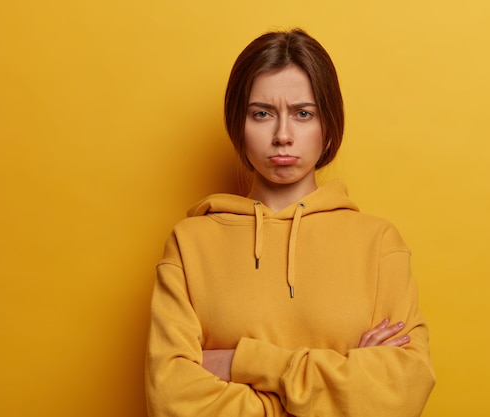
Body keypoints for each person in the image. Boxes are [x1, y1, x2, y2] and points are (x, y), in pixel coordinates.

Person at [145, 28, 435, 417]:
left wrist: (238, 362)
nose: (283, 135)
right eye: (262, 113)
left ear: (328, 125)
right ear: (238, 125)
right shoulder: (190, 243)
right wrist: (341, 389)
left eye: (303, 113)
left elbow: (400, 395)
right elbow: (171, 401)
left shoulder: (378, 243)